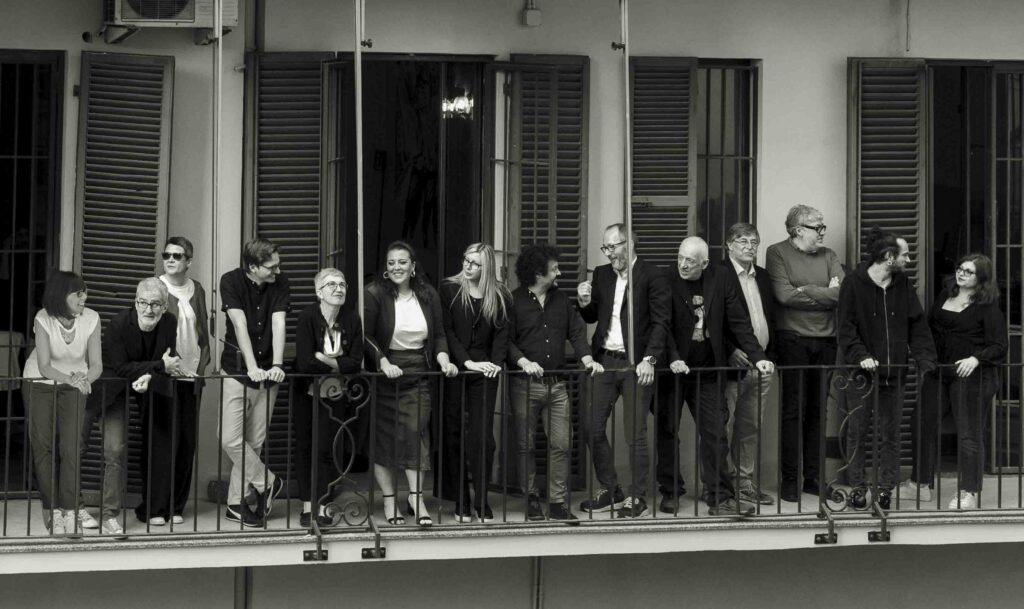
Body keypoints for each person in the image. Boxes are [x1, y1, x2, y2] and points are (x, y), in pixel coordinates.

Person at [658, 237, 774, 516]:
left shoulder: (720, 278)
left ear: (705, 263)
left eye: (690, 261)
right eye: (681, 258)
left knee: (715, 434)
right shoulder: (665, 277)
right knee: (667, 432)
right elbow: (661, 323)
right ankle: (671, 491)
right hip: (672, 370)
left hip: (708, 371)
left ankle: (719, 497)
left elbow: (738, 320)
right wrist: (673, 358)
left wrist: (758, 357)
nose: (683, 265)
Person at [836, 229, 936, 510]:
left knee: (891, 434)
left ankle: (885, 490)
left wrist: (925, 359)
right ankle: (857, 487)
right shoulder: (854, 283)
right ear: (889, 257)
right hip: (861, 374)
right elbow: (845, 328)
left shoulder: (903, 284)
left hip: (896, 373)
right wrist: (861, 356)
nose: (909, 257)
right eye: (904, 253)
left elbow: (917, 324)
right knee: (858, 432)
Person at [577, 223, 670, 519]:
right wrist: (583, 301)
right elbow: (594, 315)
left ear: (629, 244)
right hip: (604, 360)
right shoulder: (603, 274)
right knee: (591, 427)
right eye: (605, 248)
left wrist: (650, 360)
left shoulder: (652, 275)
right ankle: (611, 489)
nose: (608, 254)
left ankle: (637, 496)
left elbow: (661, 322)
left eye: (612, 247)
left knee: (635, 434)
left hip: (635, 363)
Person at [901, 254, 1006, 510]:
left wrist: (976, 359)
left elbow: (999, 345)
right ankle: (920, 484)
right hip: (940, 372)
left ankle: (968, 491)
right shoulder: (945, 294)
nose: (961, 274)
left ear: (981, 278)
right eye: (960, 268)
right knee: (920, 423)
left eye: (969, 272)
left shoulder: (987, 306)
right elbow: (930, 328)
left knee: (969, 434)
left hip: (972, 377)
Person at [364, 241, 458, 526]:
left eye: (402, 262)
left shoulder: (428, 295)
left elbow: (439, 334)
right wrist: (383, 363)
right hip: (385, 373)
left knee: (415, 434)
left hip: (418, 372)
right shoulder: (374, 293)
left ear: (413, 266)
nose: (396, 267)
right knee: (383, 439)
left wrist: (443, 360)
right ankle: (390, 503)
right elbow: (366, 336)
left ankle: (416, 499)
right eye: (391, 262)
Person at [508, 244, 601, 521]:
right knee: (526, 445)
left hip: (558, 385)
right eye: (554, 268)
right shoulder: (513, 301)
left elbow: (577, 332)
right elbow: (507, 342)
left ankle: (558, 502)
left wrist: (587, 360)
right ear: (538, 273)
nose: (559, 272)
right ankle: (531, 498)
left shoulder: (561, 300)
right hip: (524, 385)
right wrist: (523, 361)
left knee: (562, 444)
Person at [98, 278, 192, 527]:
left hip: (151, 380)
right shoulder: (118, 325)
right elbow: (120, 367)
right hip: (115, 386)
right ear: (135, 302)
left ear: (164, 307)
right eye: (143, 303)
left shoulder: (170, 322)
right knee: (114, 447)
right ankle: (107, 513)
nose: (148, 309)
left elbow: (165, 357)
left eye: (155, 304)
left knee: (163, 437)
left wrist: (151, 373)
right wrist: (158, 367)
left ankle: (156, 508)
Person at [765, 204, 844, 502]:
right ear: (798, 230)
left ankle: (814, 478)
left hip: (826, 342)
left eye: (823, 226)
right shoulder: (777, 252)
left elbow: (842, 293)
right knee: (793, 411)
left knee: (818, 413)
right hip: (793, 340)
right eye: (818, 227)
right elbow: (783, 296)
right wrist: (825, 293)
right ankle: (789, 480)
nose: (823, 232)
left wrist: (807, 291)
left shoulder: (829, 255)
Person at [22, 270, 102, 535]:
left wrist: (84, 379)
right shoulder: (43, 318)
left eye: (85, 291)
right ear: (61, 295)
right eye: (77, 293)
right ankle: (53, 510)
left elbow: (97, 364)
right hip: (40, 383)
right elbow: (44, 366)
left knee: (71, 447)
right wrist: (74, 380)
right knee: (43, 446)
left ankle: (71, 510)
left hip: (73, 383)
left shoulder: (91, 318)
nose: (84, 297)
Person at [219, 238, 290, 527]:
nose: (277, 270)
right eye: (271, 266)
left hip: (269, 376)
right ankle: (268, 482)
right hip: (237, 372)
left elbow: (279, 323)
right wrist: (251, 367)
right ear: (253, 267)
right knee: (230, 439)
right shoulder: (231, 281)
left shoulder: (280, 282)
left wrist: (276, 364)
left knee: (254, 443)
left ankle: (236, 504)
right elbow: (239, 324)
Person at [438, 243, 510, 523]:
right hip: (457, 368)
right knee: (455, 433)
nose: (467, 267)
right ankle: (461, 500)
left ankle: (481, 499)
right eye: (466, 260)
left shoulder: (500, 295)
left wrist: (495, 364)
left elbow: (503, 335)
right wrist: (466, 362)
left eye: (475, 263)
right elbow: (447, 331)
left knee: (483, 439)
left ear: (487, 268)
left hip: (486, 371)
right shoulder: (449, 289)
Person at [293, 268, 365, 528]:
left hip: (337, 394)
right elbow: (304, 362)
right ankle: (307, 506)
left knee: (326, 448)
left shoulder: (351, 319)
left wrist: (324, 360)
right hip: (306, 394)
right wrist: (337, 363)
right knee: (305, 447)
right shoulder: (308, 317)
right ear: (318, 292)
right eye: (331, 284)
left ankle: (322, 505)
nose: (339, 288)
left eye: (343, 284)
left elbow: (356, 362)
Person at [720, 223, 776, 505]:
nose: (749, 246)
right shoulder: (718, 274)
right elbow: (711, 319)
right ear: (728, 244)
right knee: (724, 427)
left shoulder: (763, 277)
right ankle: (723, 487)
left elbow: (771, 318)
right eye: (742, 241)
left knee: (750, 428)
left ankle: (744, 485)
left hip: (761, 365)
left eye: (754, 241)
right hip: (733, 366)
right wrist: (730, 350)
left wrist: (767, 356)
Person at [158, 236, 209, 525]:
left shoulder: (197, 289)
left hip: (193, 376)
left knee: (186, 443)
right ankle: (159, 506)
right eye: (167, 254)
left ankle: (177, 506)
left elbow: (203, 331)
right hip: (166, 376)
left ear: (189, 261)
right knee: (166, 441)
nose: (171, 259)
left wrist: (201, 367)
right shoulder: (155, 287)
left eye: (178, 255)